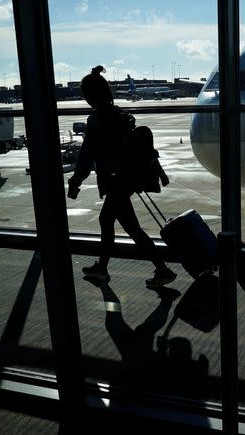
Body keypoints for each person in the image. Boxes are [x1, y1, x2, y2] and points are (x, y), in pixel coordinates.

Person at [67, 66, 177, 288]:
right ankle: (104, 269)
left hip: (117, 181)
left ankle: (161, 269)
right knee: (110, 222)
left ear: (90, 95)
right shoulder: (120, 115)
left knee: (127, 227)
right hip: (127, 179)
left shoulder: (97, 119)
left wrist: (75, 181)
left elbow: (87, 154)